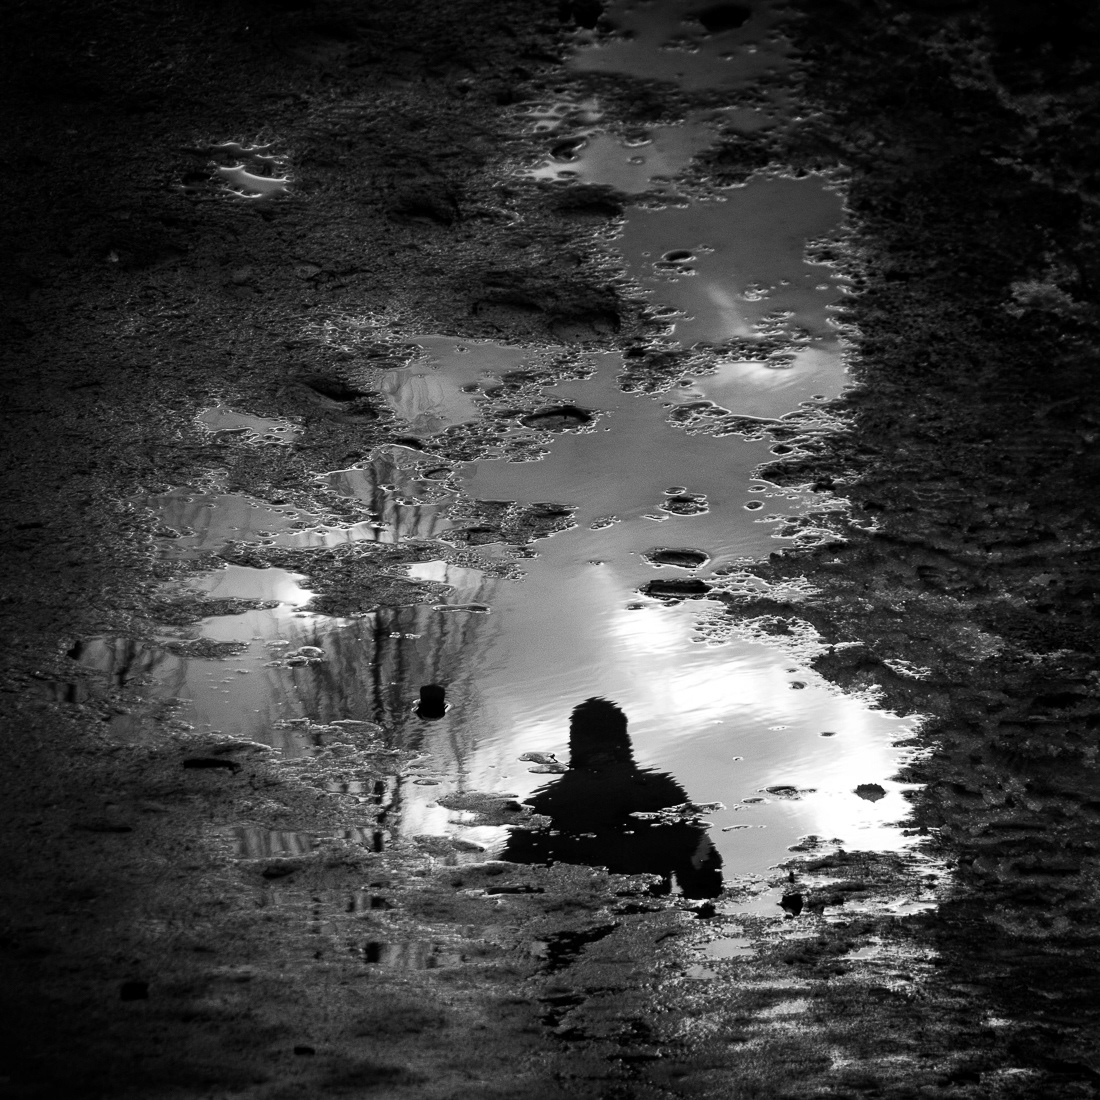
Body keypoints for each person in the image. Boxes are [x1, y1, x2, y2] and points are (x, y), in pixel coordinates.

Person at [502, 697, 723, 899]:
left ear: (573, 745)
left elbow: (506, 885)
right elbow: (702, 865)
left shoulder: (539, 807)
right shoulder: (661, 793)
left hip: (570, 924)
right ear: (625, 740)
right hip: (646, 915)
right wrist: (703, 910)